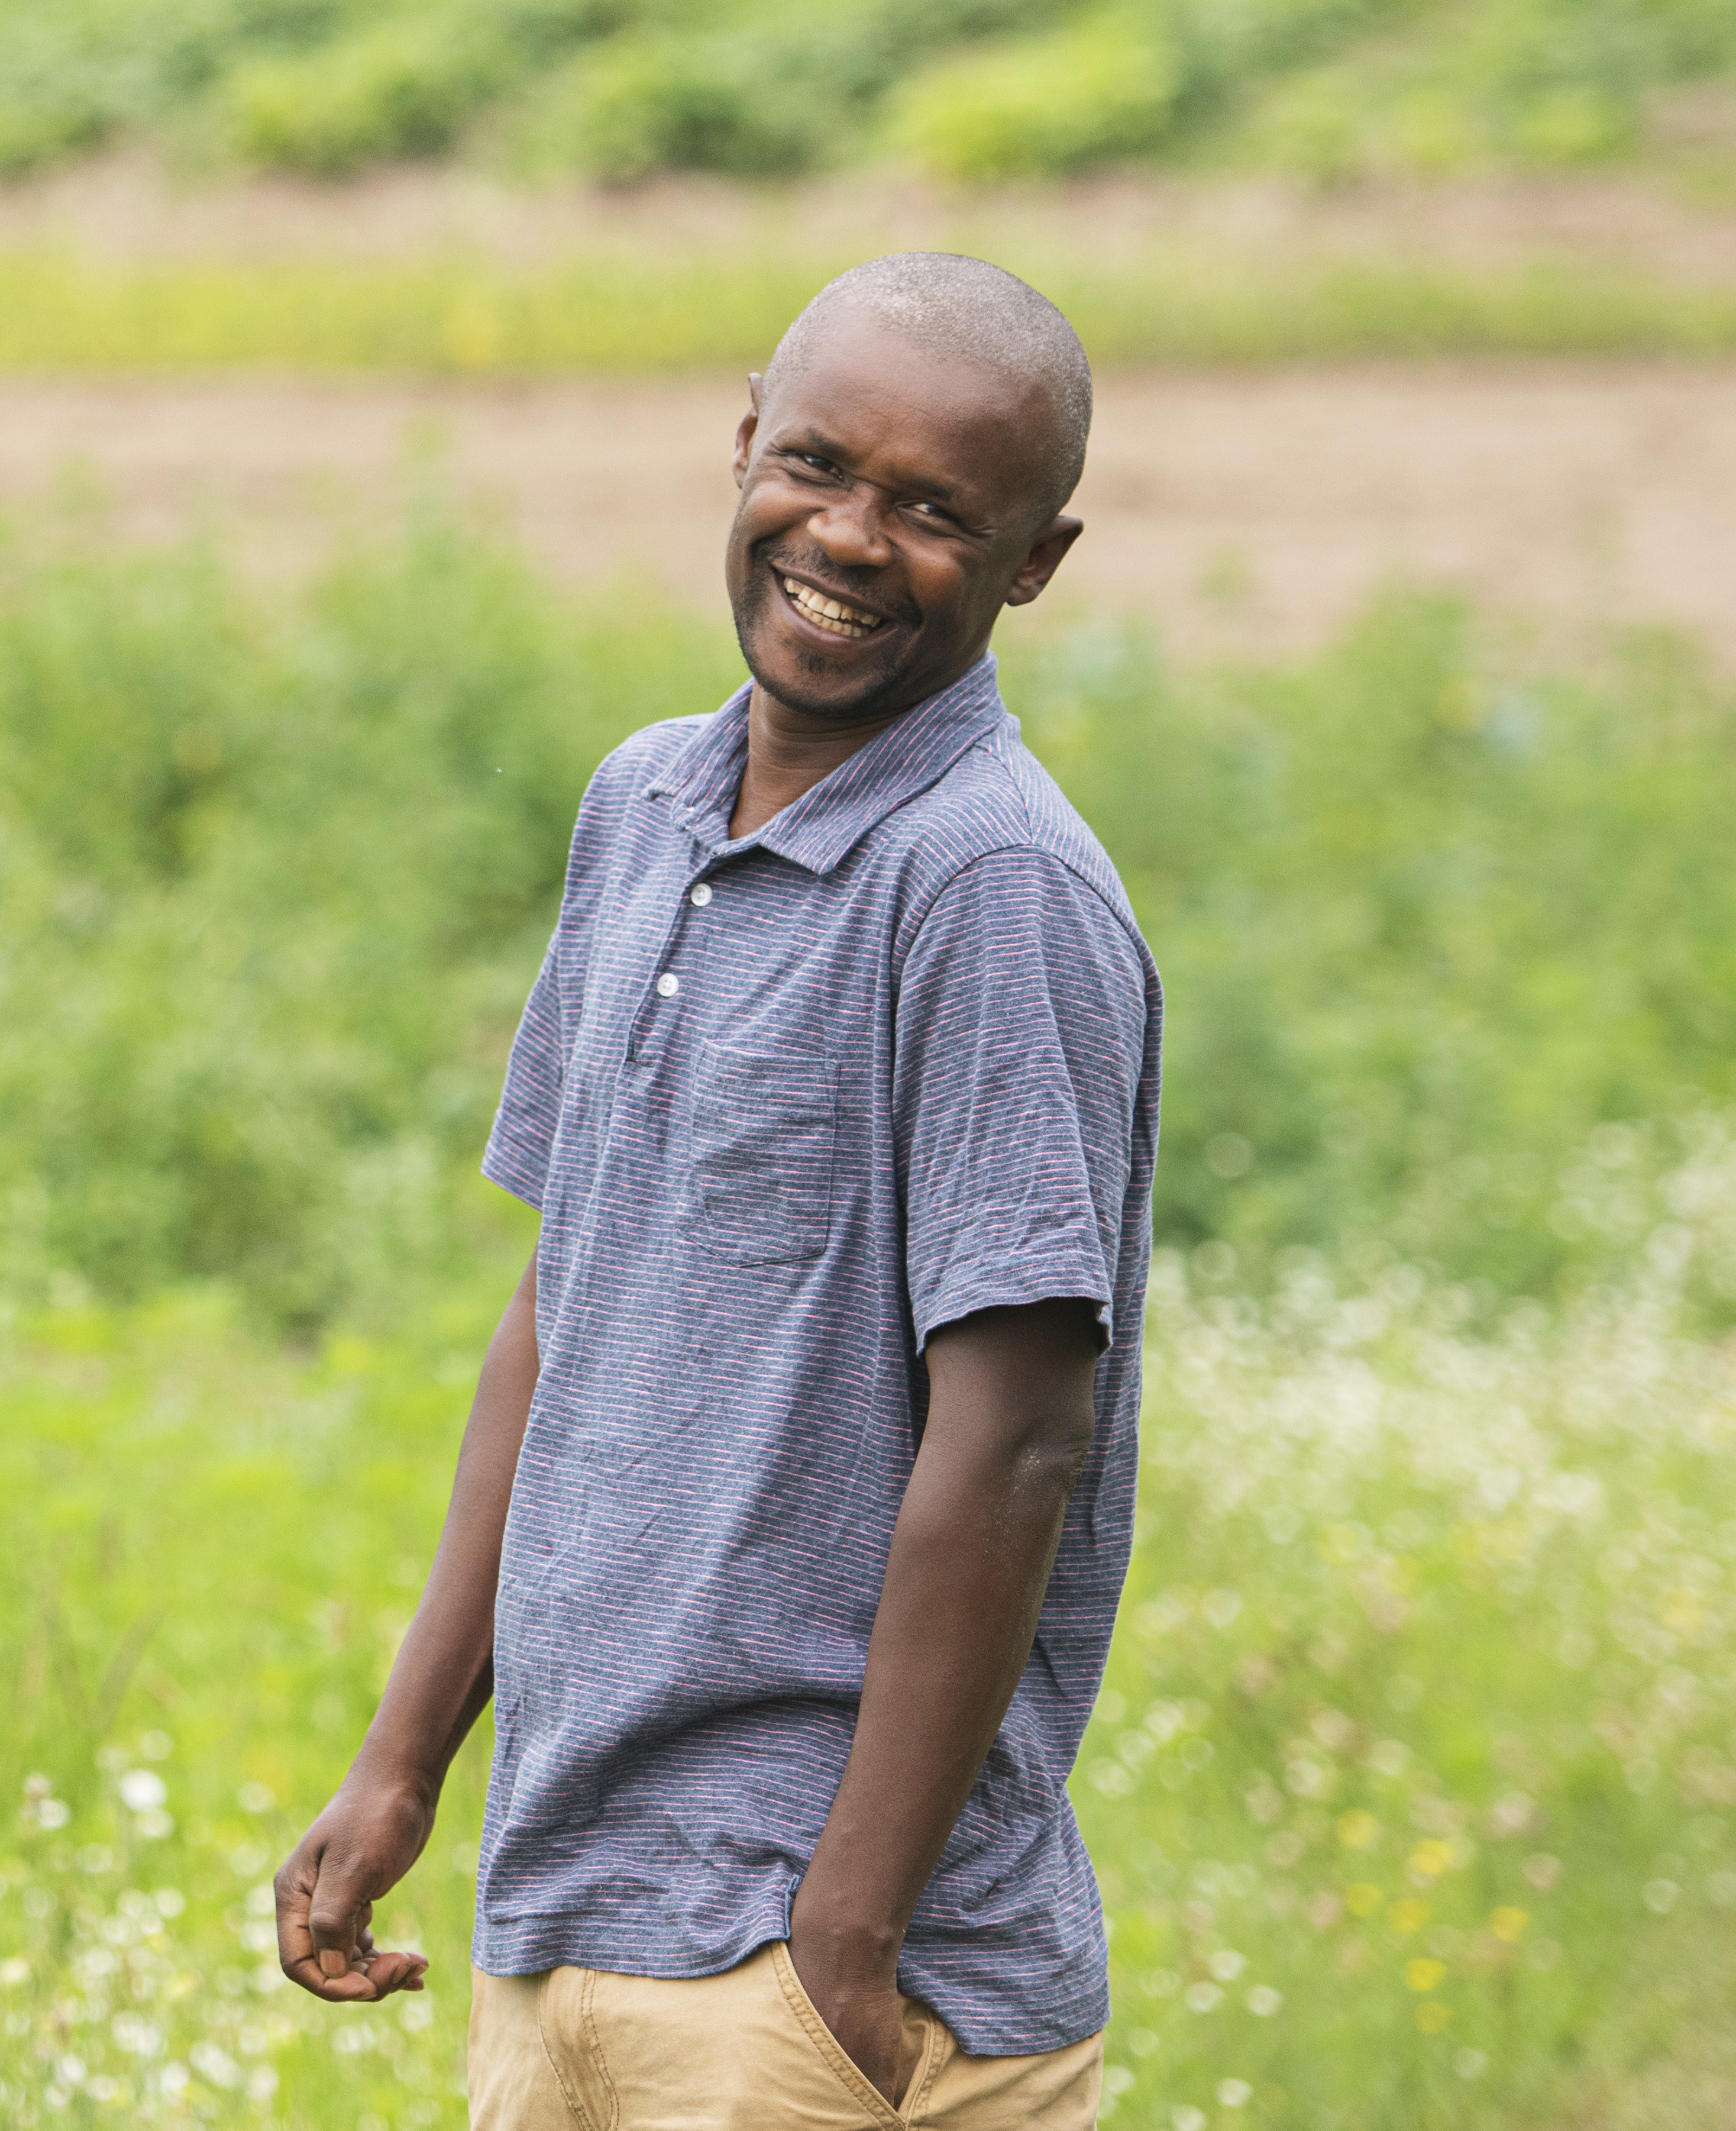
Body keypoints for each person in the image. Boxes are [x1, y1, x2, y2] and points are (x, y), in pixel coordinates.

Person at [271, 254, 1159, 2130]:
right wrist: (404, 1765)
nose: (848, 537)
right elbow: (560, 1307)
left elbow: (1013, 1440)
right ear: (741, 444)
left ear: (1033, 563)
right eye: (818, 464)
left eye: (934, 510)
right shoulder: (643, 807)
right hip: (576, 1897)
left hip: (802, 1959)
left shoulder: (986, 888)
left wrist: (842, 1937)